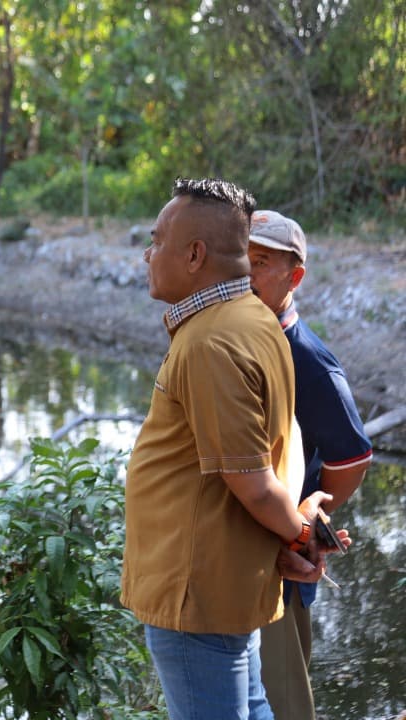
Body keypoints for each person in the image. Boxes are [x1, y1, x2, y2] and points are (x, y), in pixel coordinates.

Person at [121, 178, 333, 719]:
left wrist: (301, 533)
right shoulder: (256, 320)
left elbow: (255, 481)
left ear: (194, 255)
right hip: (225, 581)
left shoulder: (212, 341)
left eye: (157, 240)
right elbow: (279, 450)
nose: (148, 254)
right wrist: (293, 533)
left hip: (198, 596)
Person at [248, 210, 373, 720]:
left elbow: (354, 456)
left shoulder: (307, 356)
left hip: (285, 559)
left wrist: (301, 525)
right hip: (244, 554)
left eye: (259, 262)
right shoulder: (243, 338)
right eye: (240, 260)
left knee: (283, 699)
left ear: (293, 276)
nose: (245, 274)